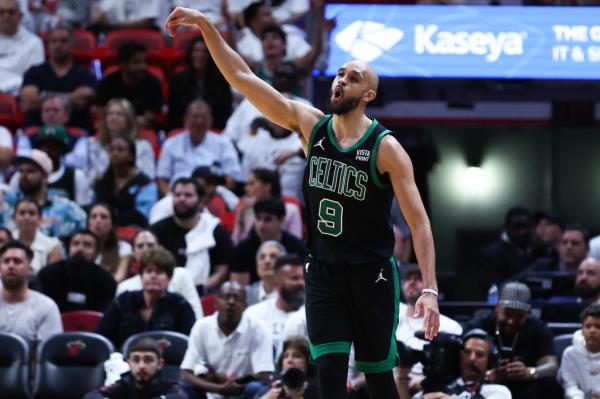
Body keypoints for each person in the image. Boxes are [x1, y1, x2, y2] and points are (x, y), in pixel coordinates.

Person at [165, 8, 440, 399]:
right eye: (340, 73)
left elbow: (420, 223)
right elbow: (243, 78)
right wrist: (207, 26)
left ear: (368, 95)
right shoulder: (311, 126)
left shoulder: (387, 149)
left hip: (371, 273)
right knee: (328, 374)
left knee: (379, 379)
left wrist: (429, 288)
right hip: (324, 270)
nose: (341, 80)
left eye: (353, 78)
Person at [463, 282, 561, 399]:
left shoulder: (538, 328)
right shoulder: (479, 325)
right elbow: (463, 361)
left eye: (519, 316)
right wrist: (485, 375)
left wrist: (530, 372)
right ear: (497, 308)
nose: (511, 321)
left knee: (551, 386)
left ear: (527, 314)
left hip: (525, 387)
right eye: (508, 314)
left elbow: (551, 366)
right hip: (486, 384)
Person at [180, 281, 274, 399]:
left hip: (243, 391)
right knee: (184, 388)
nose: (231, 302)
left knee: (256, 387)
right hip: (209, 390)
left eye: (237, 298)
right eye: (226, 297)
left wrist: (231, 383)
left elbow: (264, 375)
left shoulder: (259, 328)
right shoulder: (202, 326)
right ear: (216, 303)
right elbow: (186, 373)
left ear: (245, 306)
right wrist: (220, 388)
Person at [96, 247, 196, 347]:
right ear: (141, 276)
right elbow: (101, 338)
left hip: (168, 361)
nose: (153, 276)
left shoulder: (180, 305)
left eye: (159, 272)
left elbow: (191, 344)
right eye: (148, 271)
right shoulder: (123, 300)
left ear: (169, 278)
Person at [151, 177, 233, 294]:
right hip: (163, 291)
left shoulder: (215, 230)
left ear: (201, 202)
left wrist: (197, 289)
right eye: (178, 195)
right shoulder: (157, 230)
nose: (181, 199)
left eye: (188, 195)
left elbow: (222, 271)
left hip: (203, 293)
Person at [396, 264, 463, 393]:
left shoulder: (450, 326)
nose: (412, 282)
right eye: (408, 278)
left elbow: (456, 371)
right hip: (391, 382)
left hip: (432, 387)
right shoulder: (393, 318)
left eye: (419, 279)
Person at [157, 100, 242, 196]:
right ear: (186, 119)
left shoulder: (224, 143)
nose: (199, 121)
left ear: (211, 120)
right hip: (178, 195)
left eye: (204, 117)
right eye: (195, 116)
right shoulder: (171, 143)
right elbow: (161, 178)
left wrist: (214, 192)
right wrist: (172, 198)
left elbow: (233, 177)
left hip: (213, 195)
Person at [19, 24, 96, 130]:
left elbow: (81, 101)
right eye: (54, 41)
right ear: (48, 45)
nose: (58, 45)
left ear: (72, 45)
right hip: (38, 131)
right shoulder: (34, 72)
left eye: (63, 41)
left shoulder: (85, 74)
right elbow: (29, 101)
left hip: (75, 132)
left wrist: (44, 95)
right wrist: (69, 98)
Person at [2, 149, 87, 240]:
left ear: (45, 176)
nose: (24, 176)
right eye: (21, 171)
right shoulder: (7, 206)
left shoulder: (66, 209)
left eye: (30, 171)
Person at [117, 231, 203, 320]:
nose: (145, 249)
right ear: (133, 253)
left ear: (160, 248)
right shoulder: (124, 288)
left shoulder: (182, 275)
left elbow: (197, 316)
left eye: (150, 245)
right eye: (140, 246)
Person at [402, 329, 512, 399]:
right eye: (467, 352)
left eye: (479, 354)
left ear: (490, 361)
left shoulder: (498, 391)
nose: (472, 358)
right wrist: (401, 377)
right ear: (460, 355)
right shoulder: (437, 387)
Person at [73, 97, 156, 185]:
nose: (114, 117)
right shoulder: (92, 145)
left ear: (129, 119)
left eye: (119, 114)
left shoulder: (143, 146)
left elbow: (148, 176)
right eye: (110, 114)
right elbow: (86, 177)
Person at [11, 124, 93, 206]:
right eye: (44, 145)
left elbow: (84, 208)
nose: (48, 149)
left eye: (53, 145)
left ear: (62, 149)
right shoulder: (20, 175)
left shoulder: (75, 175)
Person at [38, 229, 117, 312]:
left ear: (96, 252)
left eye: (87, 245)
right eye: (75, 244)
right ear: (68, 248)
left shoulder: (106, 281)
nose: (80, 248)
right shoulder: (48, 274)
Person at [231, 198, 304, 285]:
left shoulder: (298, 248)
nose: (261, 225)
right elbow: (240, 289)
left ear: (281, 220)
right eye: (258, 219)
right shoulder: (243, 249)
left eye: (268, 219)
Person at [0, 240, 63, 342]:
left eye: (17, 261)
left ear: (30, 269)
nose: (11, 266)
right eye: (6, 261)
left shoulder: (46, 307)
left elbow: (49, 353)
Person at [85, 337, 188, 399]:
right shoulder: (123, 385)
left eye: (148, 360)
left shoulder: (169, 387)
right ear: (129, 363)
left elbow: (182, 397)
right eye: (136, 360)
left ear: (160, 363)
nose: (141, 366)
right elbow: (91, 396)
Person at [245, 254, 305, 356]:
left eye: (303, 278)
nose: (301, 283)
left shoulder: (314, 315)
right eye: (295, 278)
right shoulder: (254, 314)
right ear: (277, 281)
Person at [168, 35, 232, 130]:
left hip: (213, 130)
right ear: (190, 54)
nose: (200, 55)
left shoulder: (220, 81)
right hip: (183, 130)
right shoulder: (178, 80)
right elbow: (174, 113)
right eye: (196, 51)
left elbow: (224, 113)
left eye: (205, 52)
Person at [94, 136, 158, 227]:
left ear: (131, 156)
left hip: (135, 229)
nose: (114, 153)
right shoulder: (102, 181)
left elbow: (143, 216)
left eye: (120, 150)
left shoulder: (144, 183)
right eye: (111, 150)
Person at [96, 43, 163, 128]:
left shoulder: (153, 84)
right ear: (123, 64)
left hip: (142, 130)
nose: (143, 66)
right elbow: (102, 115)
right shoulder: (107, 83)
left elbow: (149, 119)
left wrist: (120, 121)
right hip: (112, 130)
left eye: (144, 62)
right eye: (137, 62)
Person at [232, 168, 302, 244]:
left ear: (267, 186)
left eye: (251, 183)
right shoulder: (245, 208)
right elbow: (236, 242)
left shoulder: (290, 210)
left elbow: (296, 242)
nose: (246, 188)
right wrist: (240, 217)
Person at [248, 336, 319, 399]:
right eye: (285, 356)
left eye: (297, 356)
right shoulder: (276, 385)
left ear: (308, 362)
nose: (289, 360)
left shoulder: (317, 389)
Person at [0, 0, 44, 95]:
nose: (6, 16)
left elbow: (34, 78)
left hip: (17, 94)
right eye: (1, 12)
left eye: (11, 12)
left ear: (20, 16)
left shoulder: (34, 43)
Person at [11, 198, 63, 274]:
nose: (27, 217)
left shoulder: (53, 245)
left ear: (40, 218)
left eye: (31, 213)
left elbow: (54, 278)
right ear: (14, 218)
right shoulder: (5, 240)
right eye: (22, 213)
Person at [559, 303, 600, 399]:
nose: (592, 331)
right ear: (582, 330)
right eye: (588, 326)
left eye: (598, 327)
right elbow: (570, 385)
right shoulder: (570, 354)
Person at [87, 203, 132, 282]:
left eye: (104, 217)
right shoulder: (81, 246)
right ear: (88, 223)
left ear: (112, 224)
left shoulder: (124, 248)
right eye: (93, 217)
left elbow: (119, 277)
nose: (98, 220)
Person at [246, 240, 287, 306]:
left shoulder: (293, 293)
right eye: (262, 257)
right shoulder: (246, 295)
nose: (267, 261)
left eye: (273, 256)